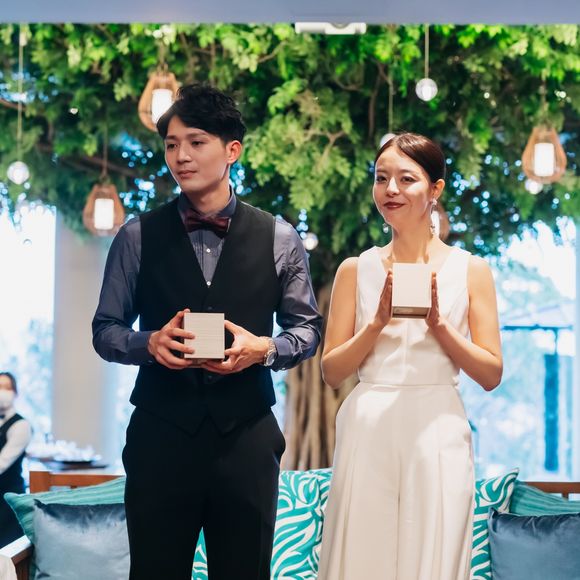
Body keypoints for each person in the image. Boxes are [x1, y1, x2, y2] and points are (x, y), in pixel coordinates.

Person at [92, 84, 322, 580]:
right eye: (172, 145)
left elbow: (307, 330)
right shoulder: (136, 236)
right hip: (159, 436)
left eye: (196, 142)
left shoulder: (280, 237)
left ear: (232, 150)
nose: (181, 156)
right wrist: (147, 343)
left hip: (247, 438)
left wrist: (265, 349)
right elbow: (105, 329)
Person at [318, 133, 502, 580]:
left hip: (438, 423)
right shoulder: (355, 269)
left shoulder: (471, 270)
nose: (391, 190)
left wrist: (439, 325)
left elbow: (491, 373)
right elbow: (332, 371)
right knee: (362, 557)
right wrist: (376, 322)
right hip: (368, 423)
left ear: (435, 188)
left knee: (434, 553)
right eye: (381, 179)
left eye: (406, 179)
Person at [0, 372, 32, 547]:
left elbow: (2, 463)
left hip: (8, 498)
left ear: (16, 393)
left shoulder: (21, 425)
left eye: (7, 387)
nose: (2, 392)